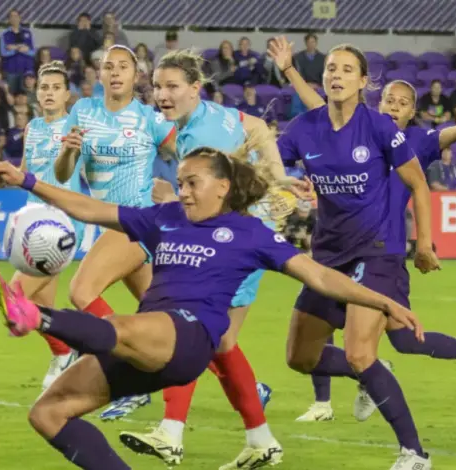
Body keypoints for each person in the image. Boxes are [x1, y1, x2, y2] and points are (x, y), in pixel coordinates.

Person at [0, 144, 425, 470]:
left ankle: (34, 316)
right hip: (146, 344)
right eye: (181, 183)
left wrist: (382, 301)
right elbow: (90, 209)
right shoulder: (166, 217)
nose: (184, 192)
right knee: (47, 413)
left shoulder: (250, 233)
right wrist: (28, 181)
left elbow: (321, 277)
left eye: (193, 183)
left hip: (189, 338)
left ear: (222, 187)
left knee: (122, 325)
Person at [269, 37, 456, 424]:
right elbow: (321, 107)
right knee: (332, 322)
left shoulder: (418, 141)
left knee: (400, 338)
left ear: (413, 111)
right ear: (378, 102)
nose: (395, 106)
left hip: (384, 250)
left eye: (403, 103)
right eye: (390, 101)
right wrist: (289, 70)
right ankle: (328, 398)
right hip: (345, 246)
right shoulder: (362, 127)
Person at [118, 49, 310, 469]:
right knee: (220, 342)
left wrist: (169, 199)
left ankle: (170, 432)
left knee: (190, 328)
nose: (162, 95)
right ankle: (260, 440)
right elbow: (257, 126)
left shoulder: (201, 140)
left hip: (231, 241)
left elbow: (211, 201)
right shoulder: (210, 116)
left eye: (172, 87)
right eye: (158, 87)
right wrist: (279, 175)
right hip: (245, 235)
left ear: (194, 88)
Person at [266, 40, 440, 470]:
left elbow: (418, 184)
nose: (336, 75)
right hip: (328, 257)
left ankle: (415, 453)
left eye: (346, 69)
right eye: (331, 68)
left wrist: (423, 244)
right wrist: (279, 188)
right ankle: (376, 372)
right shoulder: (304, 128)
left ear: (363, 81)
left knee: (360, 352)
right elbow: (271, 170)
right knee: (300, 358)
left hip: (376, 252)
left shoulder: (379, 127)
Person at [53, 44, 177, 419]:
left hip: (137, 220)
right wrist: (68, 152)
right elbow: (62, 173)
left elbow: (188, 155)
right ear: (100, 74)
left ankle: (124, 367)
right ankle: (244, 382)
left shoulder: (150, 119)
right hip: (110, 225)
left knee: (81, 290)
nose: (116, 72)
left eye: (123, 66)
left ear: (136, 75)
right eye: (109, 66)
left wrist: (177, 191)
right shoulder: (83, 111)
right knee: (168, 319)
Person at [3, 61, 83, 390]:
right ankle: (64, 352)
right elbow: (25, 172)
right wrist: (8, 174)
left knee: (14, 295)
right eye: (44, 88)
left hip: (59, 224)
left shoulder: (75, 128)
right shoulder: (32, 128)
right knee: (42, 306)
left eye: (56, 88)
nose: (49, 93)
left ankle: (89, 349)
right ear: (37, 94)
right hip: (31, 221)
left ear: (67, 95)